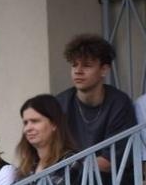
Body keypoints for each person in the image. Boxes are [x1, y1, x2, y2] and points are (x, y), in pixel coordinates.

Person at [57, 34, 138, 163]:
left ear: (104, 70)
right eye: (74, 65)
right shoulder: (60, 104)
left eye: (86, 65)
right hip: (71, 181)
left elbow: (111, 161)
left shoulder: (119, 103)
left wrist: (72, 165)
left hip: (112, 182)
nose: (78, 71)